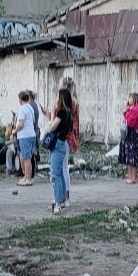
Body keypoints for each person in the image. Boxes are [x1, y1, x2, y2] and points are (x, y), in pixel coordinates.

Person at [48, 88, 74, 214]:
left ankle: (57, 202)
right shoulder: (69, 112)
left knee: (56, 174)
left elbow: (52, 127)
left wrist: (53, 113)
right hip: (63, 142)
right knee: (61, 173)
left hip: (58, 143)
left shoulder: (62, 112)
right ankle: (62, 199)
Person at [60, 75, 81, 206]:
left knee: (61, 169)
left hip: (63, 136)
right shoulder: (75, 101)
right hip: (70, 136)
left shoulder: (66, 101)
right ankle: (65, 197)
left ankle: (63, 197)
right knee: (64, 168)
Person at [120, 92, 138, 184]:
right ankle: (131, 177)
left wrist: (127, 113)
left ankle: (134, 177)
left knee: (132, 157)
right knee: (129, 157)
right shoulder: (133, 109)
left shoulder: (136, 109)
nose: (128, 100)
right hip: (130, 135)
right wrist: (127, 110)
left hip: (133, 134)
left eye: (130, 98)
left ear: (135, 99)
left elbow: (130, 123)